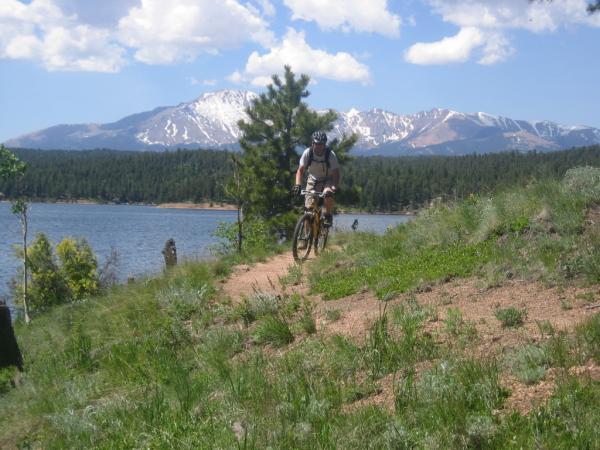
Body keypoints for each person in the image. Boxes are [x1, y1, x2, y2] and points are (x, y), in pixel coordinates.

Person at [293, 130, 340, 228]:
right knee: (308, 209)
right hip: (313, 179)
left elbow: (336, 173)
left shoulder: (330, 154)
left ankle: (327, 215)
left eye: (321, 144)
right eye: (317, 144)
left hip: (327, 179)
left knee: (328, 193)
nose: (319, 146)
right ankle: (305, 239)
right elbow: (300, 171)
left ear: (324, 144)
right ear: (312, 143)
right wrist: (297, 185)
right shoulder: (308, 153)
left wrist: (334, 187)